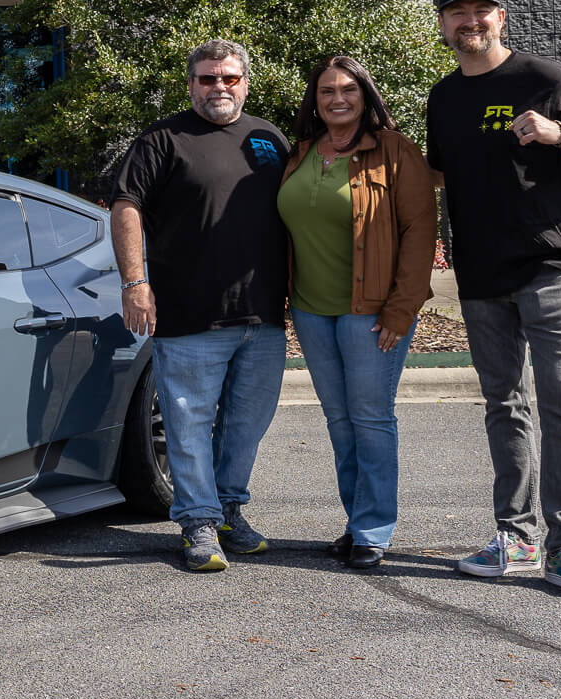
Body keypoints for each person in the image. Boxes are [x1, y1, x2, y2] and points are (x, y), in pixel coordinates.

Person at [427, 0, 561, 603]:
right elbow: (439, 179)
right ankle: (513, 536)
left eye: (481, 10)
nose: (471, 21)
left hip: (549, 268)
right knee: (503, 407)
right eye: (458, 12)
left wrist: (558, 133)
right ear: (443, 25)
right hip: (482, 275)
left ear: (501, 17)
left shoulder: (544, 80)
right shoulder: (443, 97)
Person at [111, 39, 291, 572]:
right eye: (208, 79)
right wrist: (134, 282)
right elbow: (126, 207)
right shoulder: (162, 139)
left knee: (246, 424)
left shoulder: (269, 139)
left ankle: (230, 510)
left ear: (246, 83)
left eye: (229, 78)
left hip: (262, 315)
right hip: (189, 313)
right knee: (188, 422)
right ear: (191, 84)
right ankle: (197, 522)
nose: (219, 87)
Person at [278, 56, 434, 570]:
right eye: (326, 91)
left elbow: (419, 233)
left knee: (370, 418)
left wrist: (401, 309)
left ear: (365, 95)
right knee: (339, 420)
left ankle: (374, 527)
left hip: (369, 311)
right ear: (314, 99)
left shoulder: (395, 151)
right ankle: (356, 519)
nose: (337, 99)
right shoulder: (300, 152)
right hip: (310, 309)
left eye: (348, 89)